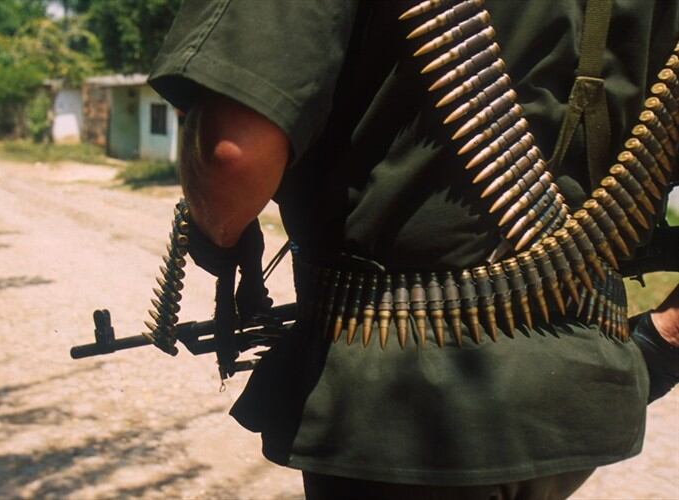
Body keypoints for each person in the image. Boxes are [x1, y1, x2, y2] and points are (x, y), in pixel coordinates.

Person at [148, 1, 679, 498]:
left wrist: (216, 231)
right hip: (583, 402)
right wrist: (660, 346)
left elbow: (232, 158)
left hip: (400, 411)